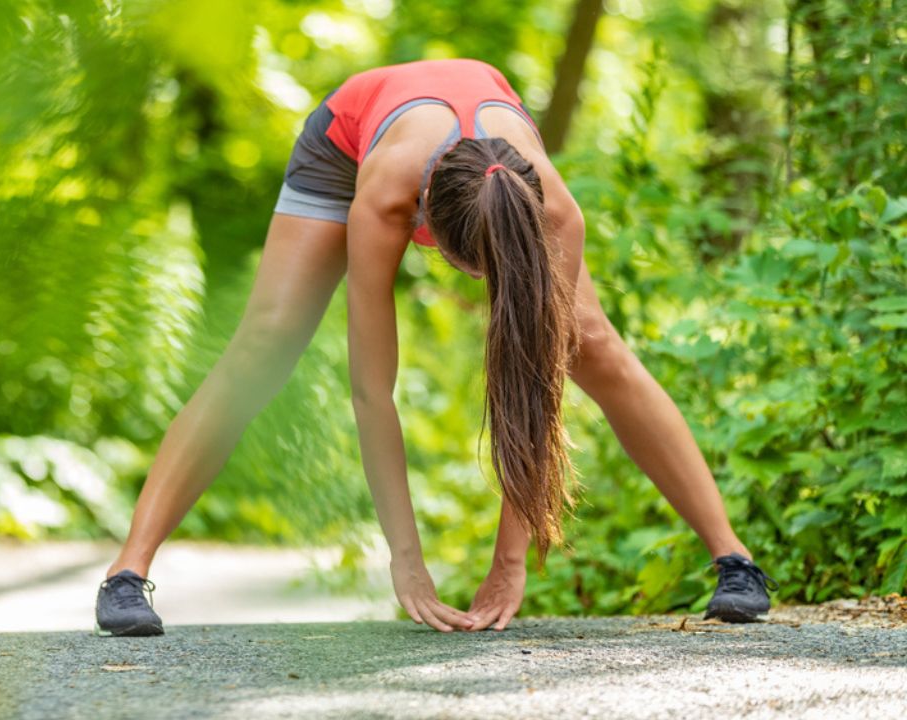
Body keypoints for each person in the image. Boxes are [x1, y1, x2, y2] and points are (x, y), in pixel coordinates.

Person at [93, 58, 777, 637]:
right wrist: (406, 558)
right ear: (426, 230)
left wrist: (511, 560)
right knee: (264, 347)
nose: (478, 283)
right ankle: (128, 573)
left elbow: (536, 385)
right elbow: (371, 390)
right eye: (468, 267)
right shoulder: (386, 197)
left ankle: (735, 561)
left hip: (490, 154)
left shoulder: (555, 208)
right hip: (348, 139)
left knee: (589, 342)